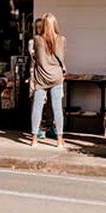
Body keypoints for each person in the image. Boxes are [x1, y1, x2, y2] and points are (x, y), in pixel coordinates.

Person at [30, 12, 67, 148]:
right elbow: (62, 59)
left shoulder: (37, 40)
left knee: (37, 107)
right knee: (57, 108)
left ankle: (34, 139)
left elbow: (36, 58)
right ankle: (59, 140)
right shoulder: (62, 39)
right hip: (56, 77)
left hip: (41, 77)